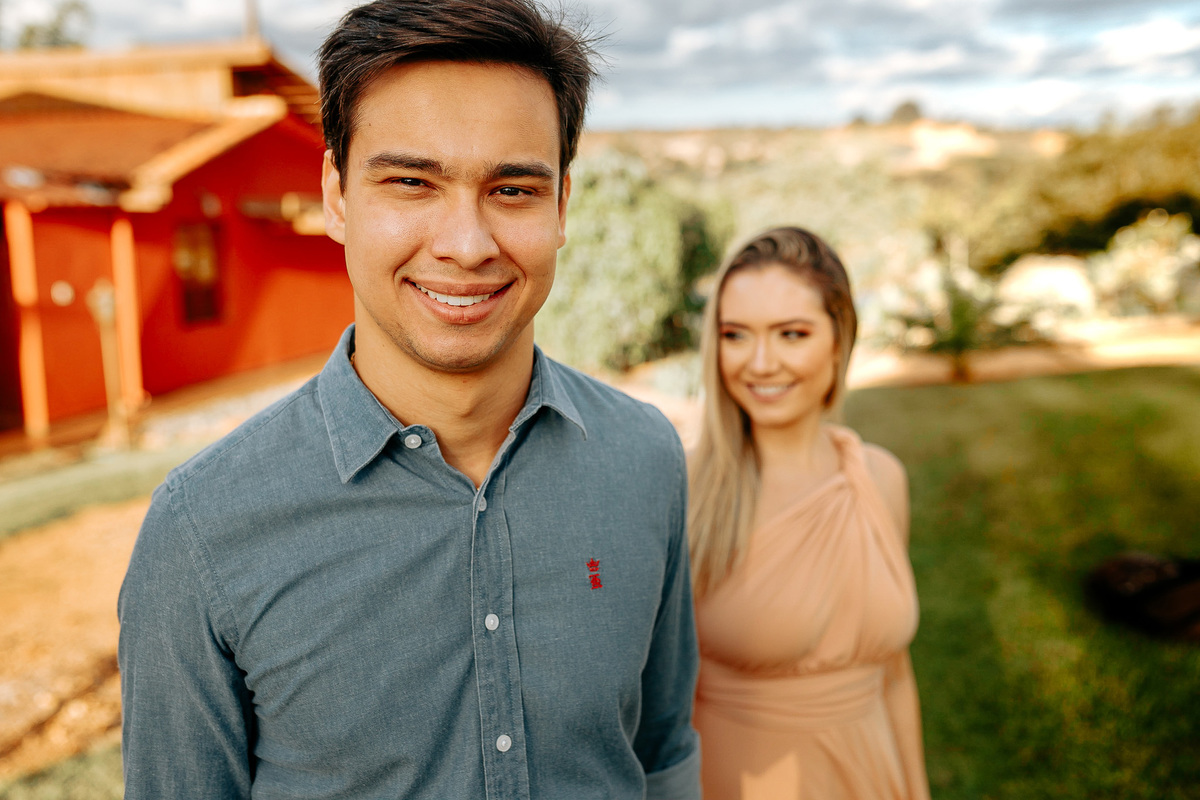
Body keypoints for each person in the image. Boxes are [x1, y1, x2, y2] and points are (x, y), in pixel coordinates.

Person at [117, 1, 701, 797]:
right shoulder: (202, 532)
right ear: (337, 194)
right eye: (412, 182)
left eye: (513, 190)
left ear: (562, 205)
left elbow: (662, 755)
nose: (466, 244)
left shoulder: (644, 458)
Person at [687, 226, 931, 800]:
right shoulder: (685, 486)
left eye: (791, 334)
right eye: (736, 335)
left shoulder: (880, 477)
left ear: (839, 339)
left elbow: (893, 672)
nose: (761, 363)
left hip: (875, 776)